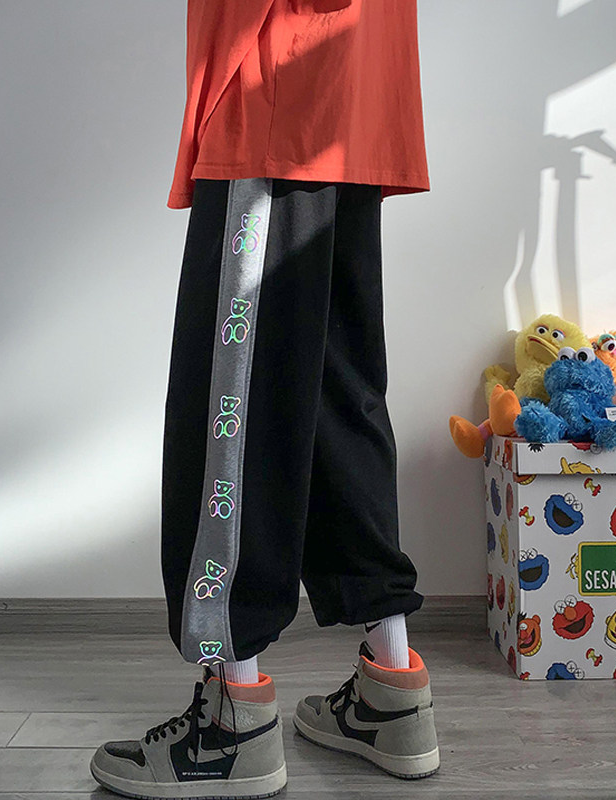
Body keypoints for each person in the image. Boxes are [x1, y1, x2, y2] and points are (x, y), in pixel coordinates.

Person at [90, 1, 439, 797]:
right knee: (338, 397)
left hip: (277, 75)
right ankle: (391, 694)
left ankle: (233, 723)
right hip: (356, 84)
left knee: (233, 409)